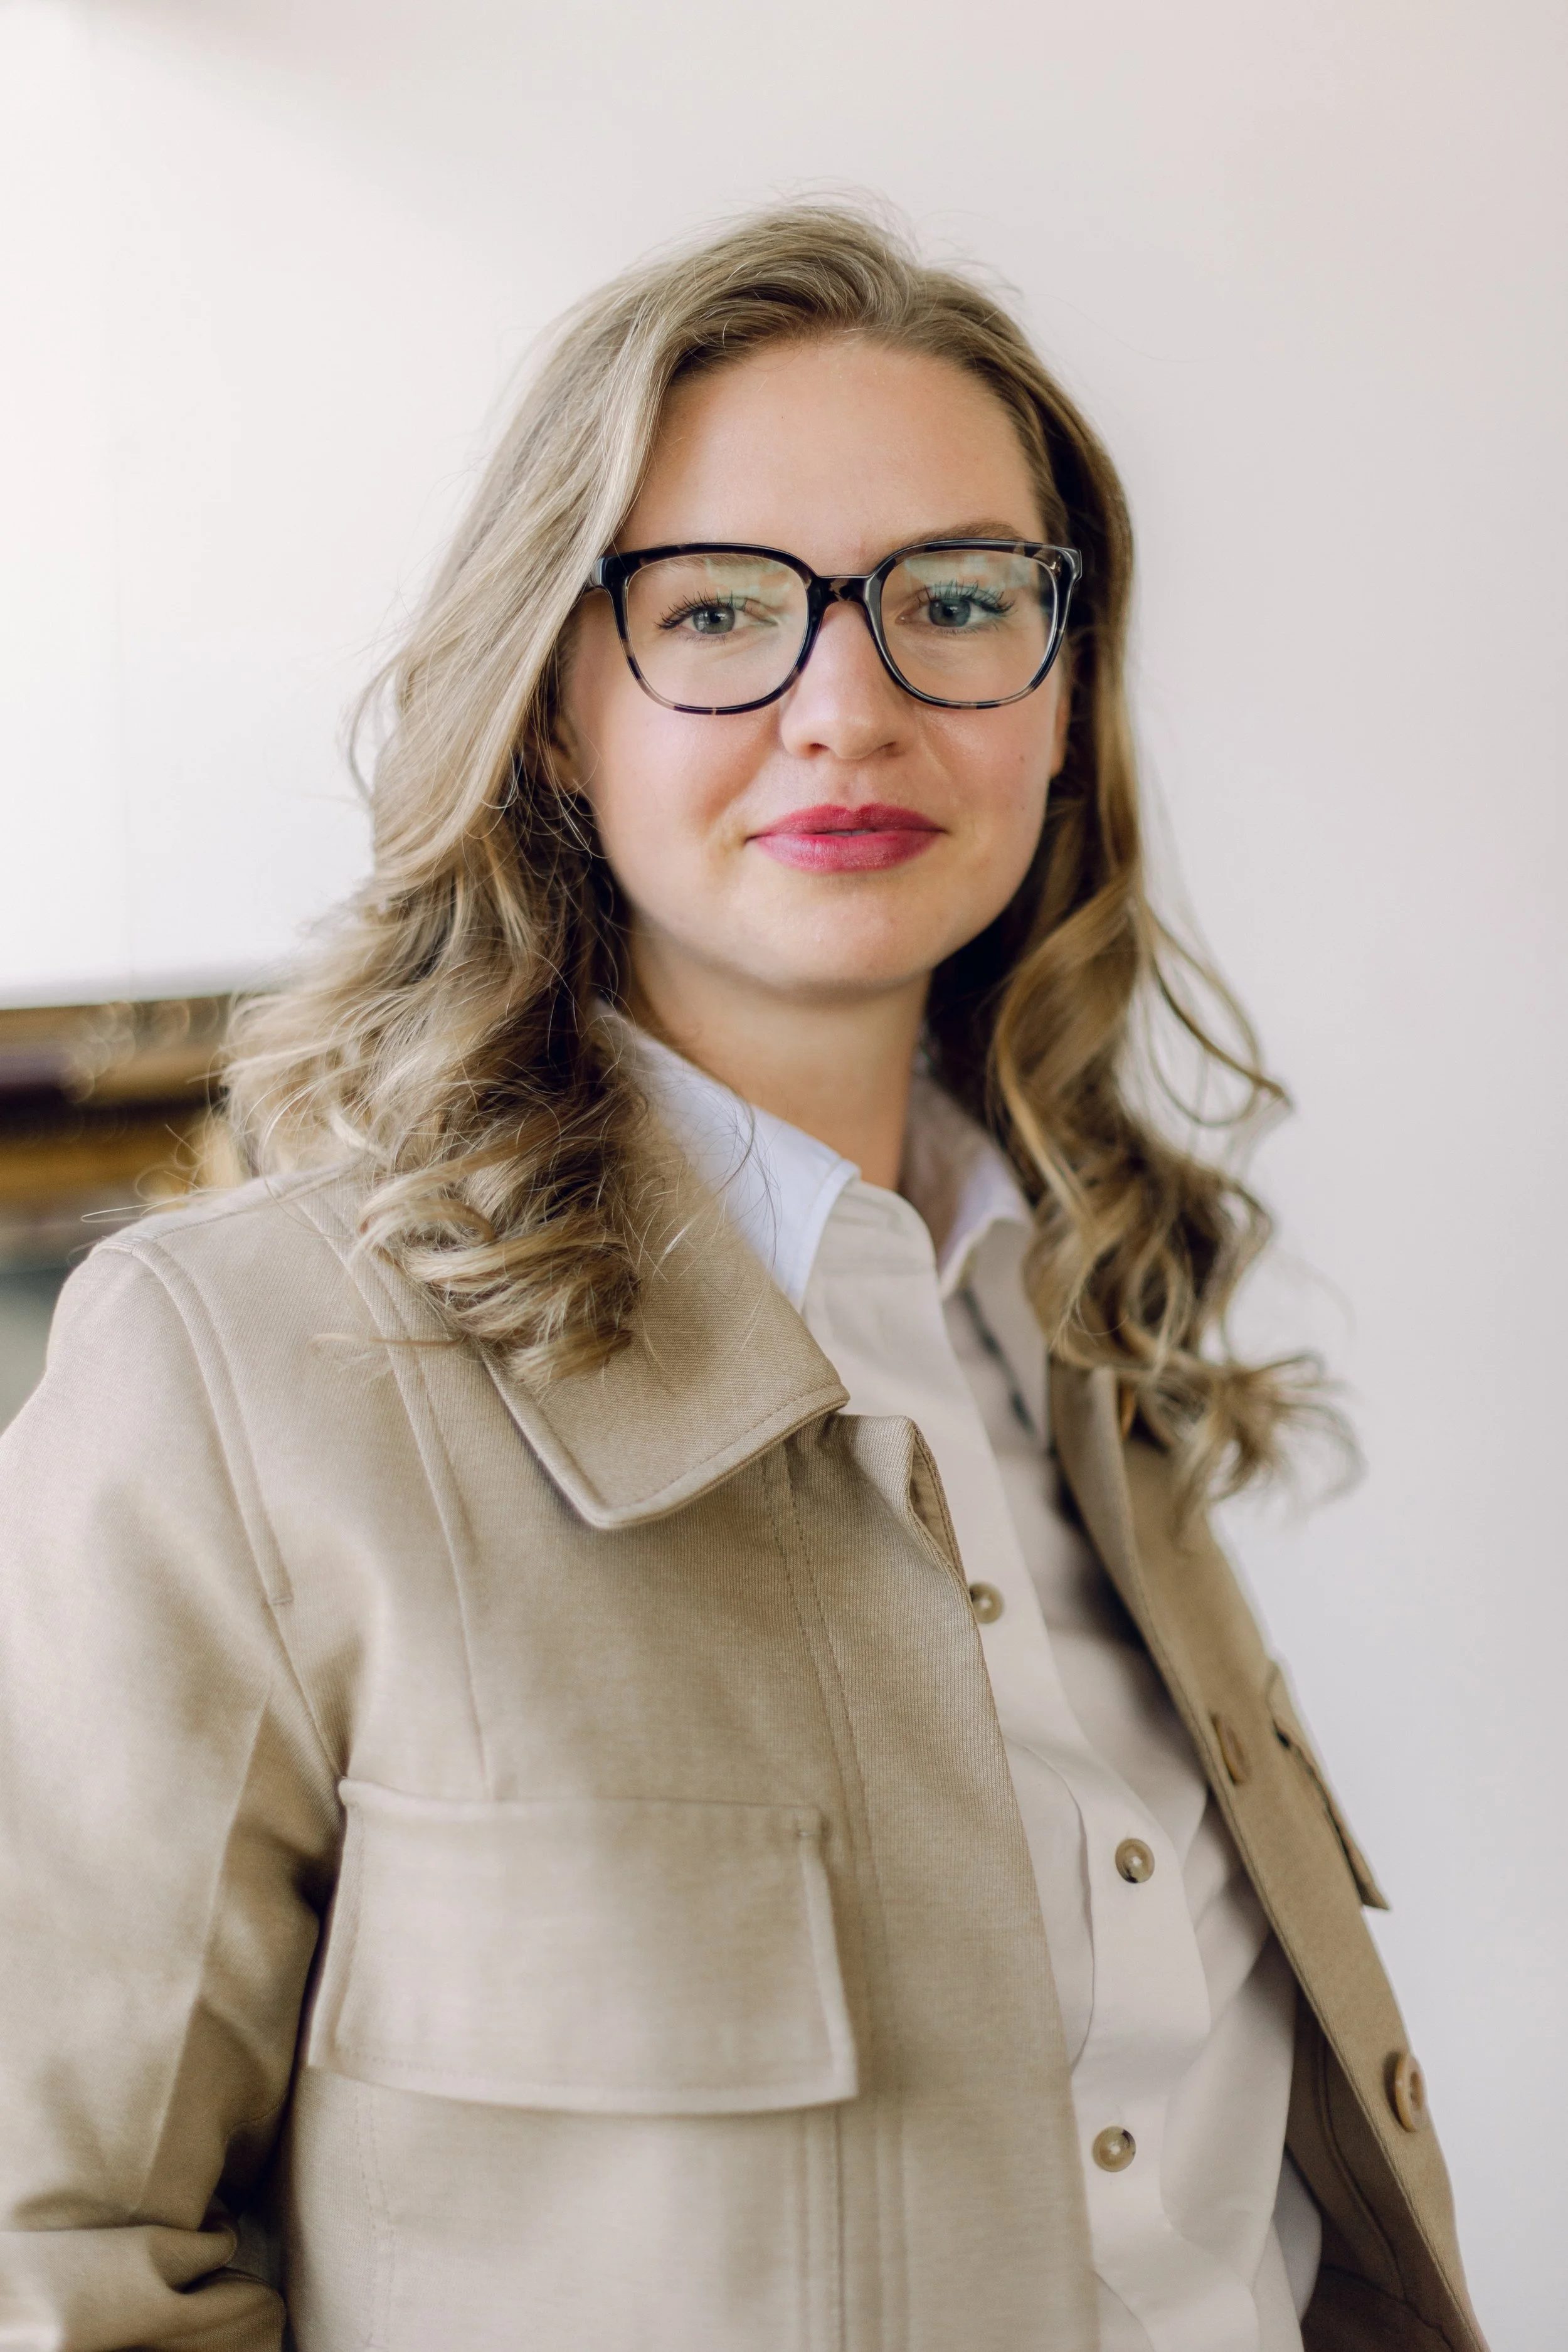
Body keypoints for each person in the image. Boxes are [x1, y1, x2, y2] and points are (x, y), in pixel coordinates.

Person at [0, 204, 1483, 2352]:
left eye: (959, 600)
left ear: (1060, 699)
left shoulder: (1070, 1325)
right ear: (550, 716)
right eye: (716, 611)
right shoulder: (242, 1372)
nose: (849, 707)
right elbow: (52, 2254)